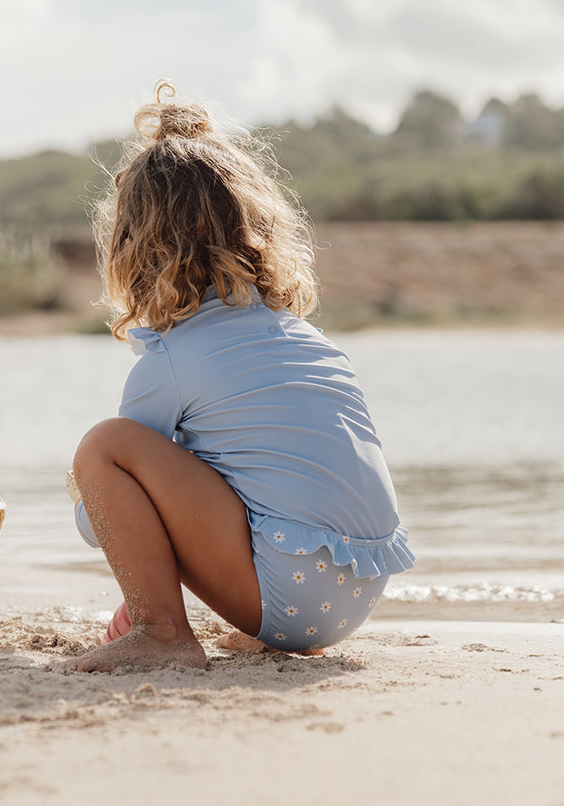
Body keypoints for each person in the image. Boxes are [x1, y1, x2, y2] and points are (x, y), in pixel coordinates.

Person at [68, 81, 413, 673]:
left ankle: (161, 632)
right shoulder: (307, 339)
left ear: (135, 247)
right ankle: (266, 628)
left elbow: (100, 525)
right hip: (360, 593)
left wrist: (85, 493)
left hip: (292, 592)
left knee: (104, 449)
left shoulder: (170, 360)